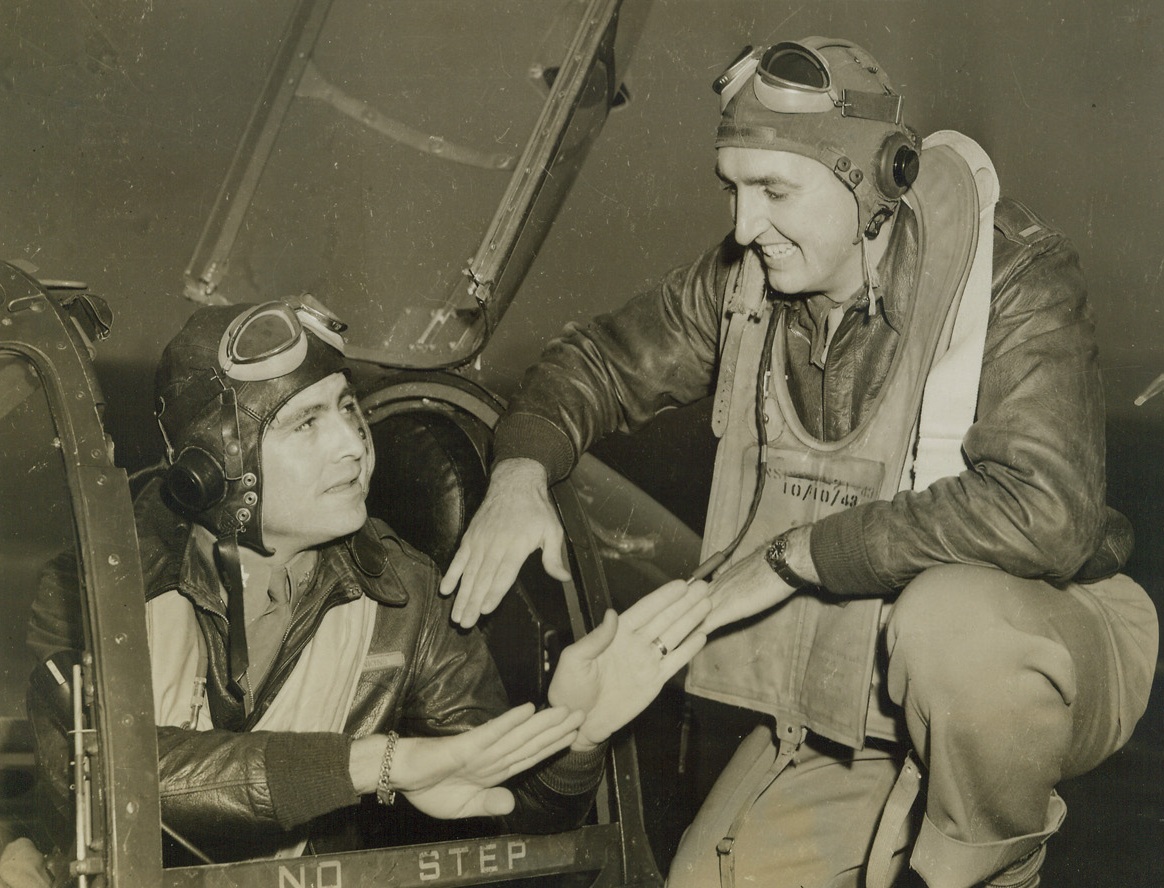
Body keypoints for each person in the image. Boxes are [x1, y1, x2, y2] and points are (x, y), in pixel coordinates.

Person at [437, 36, 1159, 888]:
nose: (745, 226)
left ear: (877, 179)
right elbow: (596, 363)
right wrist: (520, 475)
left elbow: (1045, 509)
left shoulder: (1010, 274)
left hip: (1041, 649)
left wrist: (798, 558)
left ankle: (988, 868)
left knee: (950, 628)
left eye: (775, 190)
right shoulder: (747, 281)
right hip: (863, 703)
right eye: (734, 190)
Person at [26, 298, 710, 866]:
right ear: (213, 466)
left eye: (349, 409)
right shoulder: (97, 580)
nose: (354, 444)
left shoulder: (402, 596)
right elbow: (110, 774)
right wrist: (382, 764)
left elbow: (505, 804)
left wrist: (579, 732)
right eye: (306, 423)